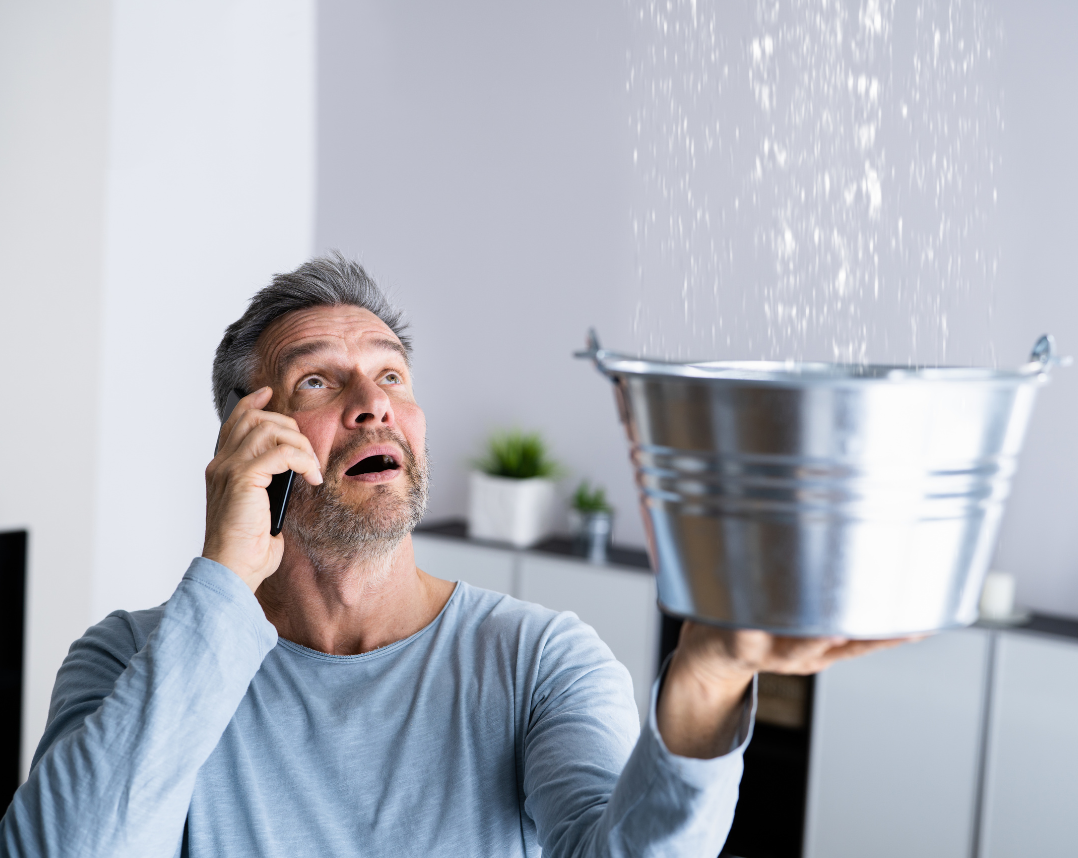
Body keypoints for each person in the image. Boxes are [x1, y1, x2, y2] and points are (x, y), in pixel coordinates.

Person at [0, 255, 902, 857]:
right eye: (319, 379)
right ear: (249, 438)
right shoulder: (129, 661)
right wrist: (226, 577)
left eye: (392, 374)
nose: (374, 402)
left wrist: (703, 681)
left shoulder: (539, 660)